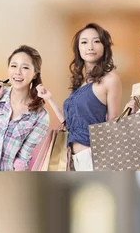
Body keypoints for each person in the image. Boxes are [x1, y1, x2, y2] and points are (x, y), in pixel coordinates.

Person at [38, 23, 122, 171]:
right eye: (84, 42)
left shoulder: (110, 79)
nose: (90, 46)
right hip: (71, 158)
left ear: (104, 46)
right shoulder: (80, 84)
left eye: (96, 41)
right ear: (78, 49)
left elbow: (113, 124)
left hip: (92, 157)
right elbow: (69, 125)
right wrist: (49, 99)